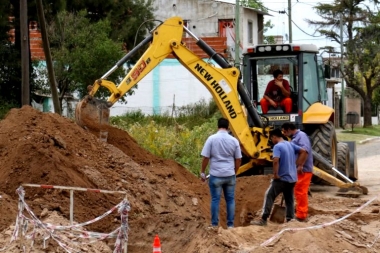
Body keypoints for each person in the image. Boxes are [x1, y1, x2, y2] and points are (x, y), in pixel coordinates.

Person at [251, 128, 307, 226]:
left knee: (269, 195)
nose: (272, 141)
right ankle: (290, 219)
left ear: (274, 137)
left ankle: (263, 219)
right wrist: (299, 164)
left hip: (282, 178)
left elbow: (276, 160)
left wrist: (276, 174)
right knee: (289, 199)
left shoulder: (278, 146)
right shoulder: (290, 144)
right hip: (292, 178)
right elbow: (304, 151)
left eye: (271, 139)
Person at [200, 118, 242, 229]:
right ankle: (230, 225)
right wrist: (235, 172)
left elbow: (206, 158)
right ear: (228, 127)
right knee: (230, 200)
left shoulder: (211, 139)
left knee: (215, 200)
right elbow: (238, 159)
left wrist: (202, 172)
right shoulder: (234, 141)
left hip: (216, 175)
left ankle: (214, 225)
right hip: (230, 175)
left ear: (217, 126)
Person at [282, 122, 313, 222]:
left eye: (285, 131)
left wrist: (300, 165)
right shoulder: (295, 138)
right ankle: (299, 212)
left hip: (303, 170)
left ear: (290, 129)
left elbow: (305, 151)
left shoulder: (301, 136)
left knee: (300, 192)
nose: (284, 134)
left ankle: (301, 215)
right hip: (297, 169)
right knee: (298, 191)